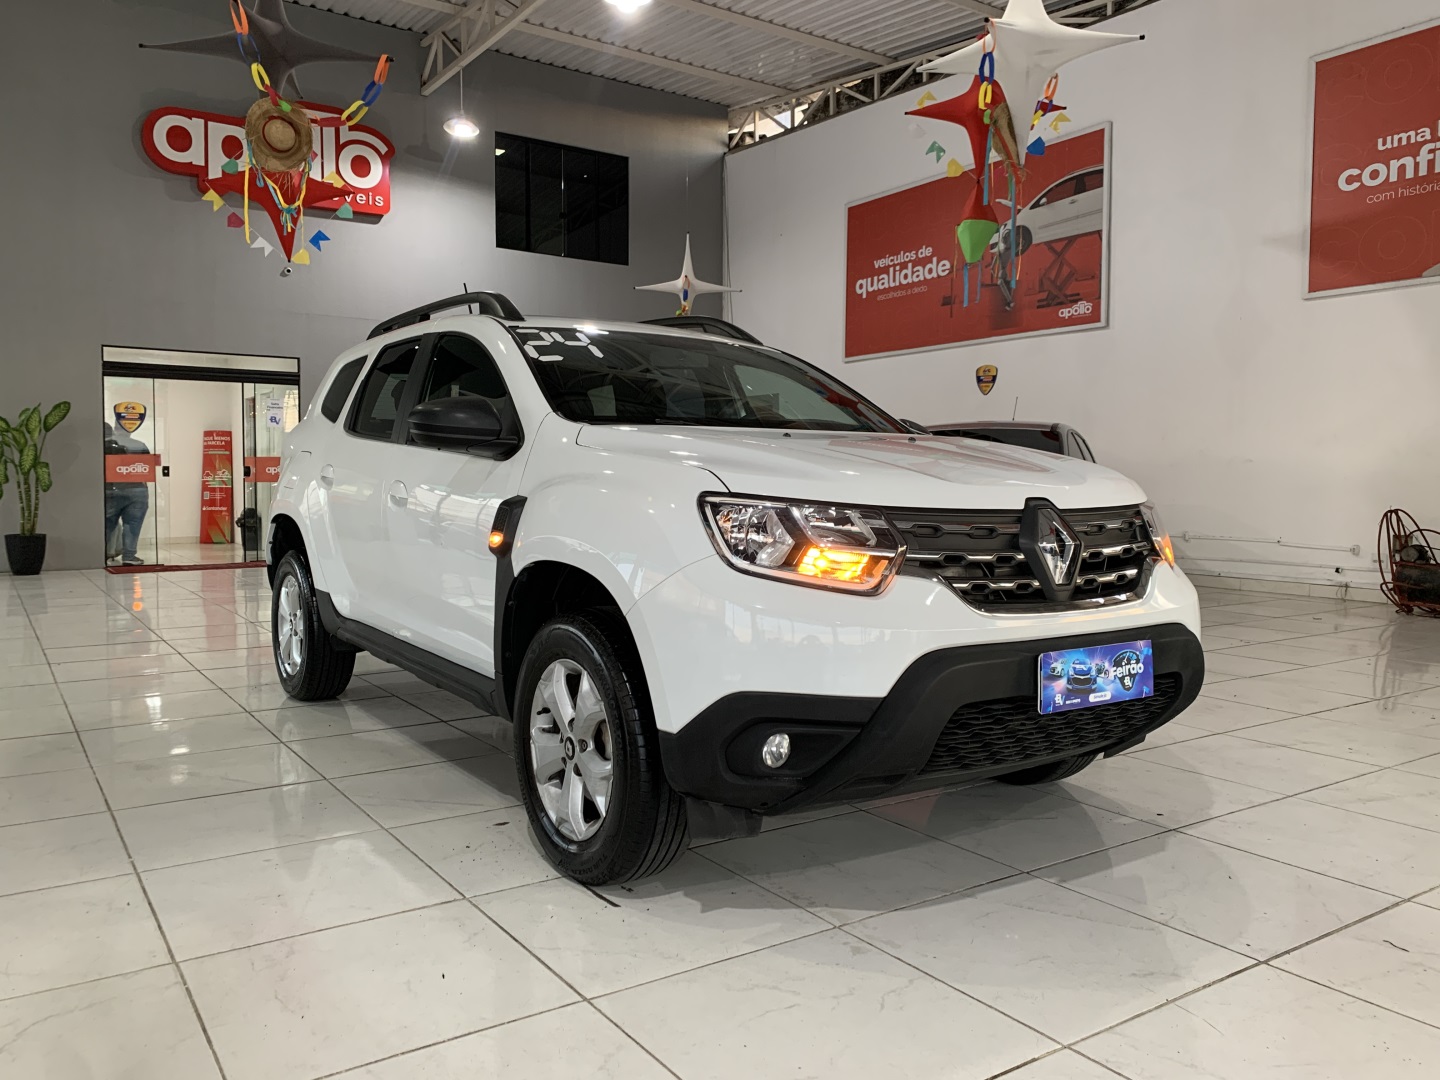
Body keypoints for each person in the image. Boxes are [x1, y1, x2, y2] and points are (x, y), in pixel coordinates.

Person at [103, 421, 151, 566]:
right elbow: (147, 468)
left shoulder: (105, 445)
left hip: (111, 489)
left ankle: (103, 554)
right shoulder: (140, 445)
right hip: (136, 490)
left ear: (116, 428)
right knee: (133, 525)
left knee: (108, 524)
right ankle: (129, 556)